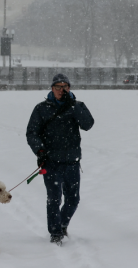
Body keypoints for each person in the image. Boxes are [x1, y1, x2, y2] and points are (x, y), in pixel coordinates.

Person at [26, 73, 95, 244]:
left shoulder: (77, 106)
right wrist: (40, 151)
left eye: (65, 87)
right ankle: (55, 232)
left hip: (72, 162)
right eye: (58, 87)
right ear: (52, 88)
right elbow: (32, 133)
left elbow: (88, 125)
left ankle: (63, 224)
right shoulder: (41, 108)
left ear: (69, 88)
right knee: (54, 198)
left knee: (73, 198)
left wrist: (74, 106)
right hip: (51, 162)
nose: (61, 90)